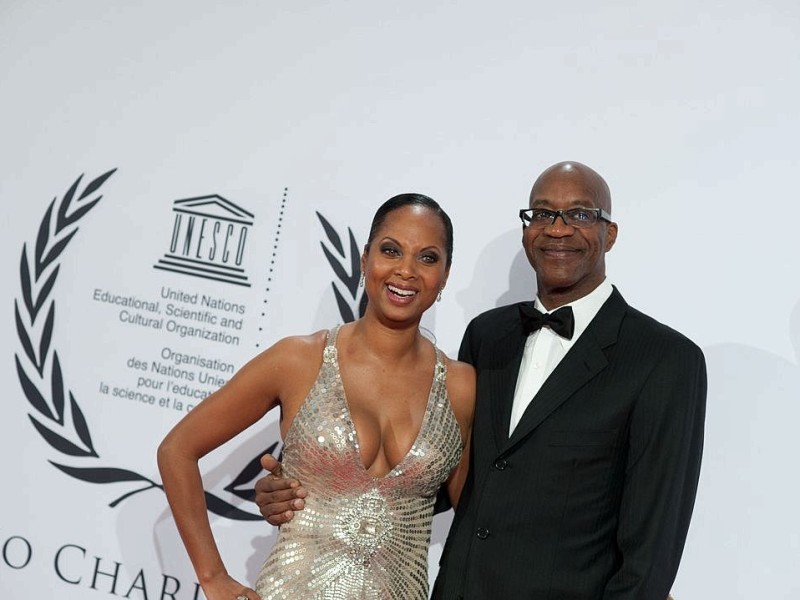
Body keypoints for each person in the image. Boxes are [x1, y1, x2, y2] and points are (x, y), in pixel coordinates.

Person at [255, 162, 707, 599]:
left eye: (581, 214)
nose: (558, 228)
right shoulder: (488, 336)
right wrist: (310, 493)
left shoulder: (664, 361)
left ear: (609, 233)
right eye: (543, 213)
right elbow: (451, 485)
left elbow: (652, 552)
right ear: (527, 230)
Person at [157, 193, 475, 600]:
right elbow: (177, 449)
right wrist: (214, 578)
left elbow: (476, 520)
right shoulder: (297, 360)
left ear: (445, 276)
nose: (406, 271)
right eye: (391, 250)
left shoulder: (461, 388)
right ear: (364, 260)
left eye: (427, 258)